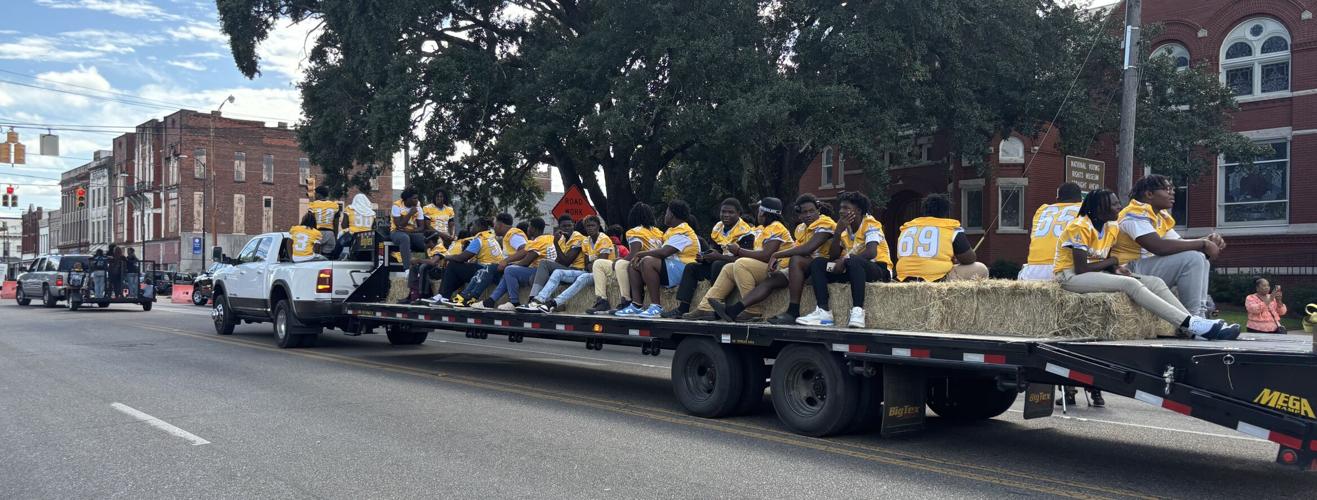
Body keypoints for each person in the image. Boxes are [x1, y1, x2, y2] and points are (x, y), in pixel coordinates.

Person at [1055, 189, 1238, 341]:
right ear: (1099, 207)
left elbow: (1105, 257)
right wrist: (1113, 262)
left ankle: (1193, 327)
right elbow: (1082, 269)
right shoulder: (1079, 227)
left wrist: (1116, 269)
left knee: (1155, 282)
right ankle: (1191, 324)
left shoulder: (1111, 227)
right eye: (1114, 204)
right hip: (1070, 276)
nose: (1119, 207)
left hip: (1096, 272)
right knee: (1131, 284)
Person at [1113, 175, 1225, 317]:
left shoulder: (1159, 216)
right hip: (1127, 270)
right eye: (1167, 189)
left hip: (1144, 268)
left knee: (1200, 257)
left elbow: (1179, 244)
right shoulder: (1134, 214)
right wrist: (1203, 243)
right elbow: (1158, 247)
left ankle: (1201, 315)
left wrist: (1208, 240)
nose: (1173, 192)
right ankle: (1192, 320)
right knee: (1192, 259)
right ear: (1149, 194)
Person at [731, 194, 835, 325]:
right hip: (806, 266)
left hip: (824, 266)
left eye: (811, 211)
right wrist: (779, 265)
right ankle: (735, 309)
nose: (808, 215)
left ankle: (793, 311)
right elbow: (799, 248)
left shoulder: (826, 223)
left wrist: (776, 255)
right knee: (773, 279)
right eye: (804, 212)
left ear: (818, 210)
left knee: (796, 259)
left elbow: (807, 249)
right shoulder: (800, 228)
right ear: (799, 214)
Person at [795, 191, 893, 328]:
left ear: (858, 210)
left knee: (852, 260)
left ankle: (858, 311)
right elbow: (833, 257)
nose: (841, 211)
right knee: (819, 264)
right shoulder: (844, 228)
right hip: (851, 269)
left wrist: (845, 260)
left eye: (846, 208)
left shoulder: (870, 224)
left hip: (878, 270)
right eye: (841, 207)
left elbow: (871, 253)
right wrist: (837, 233)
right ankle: (823, 312)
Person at [691, 197, 791, 321]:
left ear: (763, 212)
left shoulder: (776, 227)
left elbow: (767, 255)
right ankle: (705, 308)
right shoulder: (762, 228)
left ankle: (753, 310)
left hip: (779, 269)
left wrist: (739, 251)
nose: (756, 214)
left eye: (758, 210)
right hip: (768, 267)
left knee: (741, 263)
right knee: (728, 268)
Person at [663, 198, 755, 318]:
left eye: (730, 212)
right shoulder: (719, 227)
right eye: (723, 212)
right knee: (692, 267)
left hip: (735, 268)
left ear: (739, 214)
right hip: (718, 264)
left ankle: (717, 305)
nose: (726, 215)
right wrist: (706, 256)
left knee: (718, 264)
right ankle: (683, 308)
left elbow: (744, 260)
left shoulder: (746, 233)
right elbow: (716, 249)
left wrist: (718, 257)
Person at [615, 200, 701, 318]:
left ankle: (656, 306)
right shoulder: (672, 230)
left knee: (647, 261)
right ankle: (636, 305)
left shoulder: (683, 231)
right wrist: (638, 257)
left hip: (685, 269)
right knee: (634, 263)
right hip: (673, 267)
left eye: (666, 213)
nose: (665, 216)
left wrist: (640, 254)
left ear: (672, 214)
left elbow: (664, 252)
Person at [523, 215, 615, 313]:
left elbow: (599, 265)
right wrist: (591, 265)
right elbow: (587, 265)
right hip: (587, 271)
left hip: (602, 274)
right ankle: (538, 300)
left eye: (592, 225)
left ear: (598, 226)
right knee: (557, 272)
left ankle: (553, 303)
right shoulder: (586, 241)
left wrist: (555, 243)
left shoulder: (603, 239)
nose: (590, 228)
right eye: (587, 226)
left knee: (582, 278)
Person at [586, 203, 662, 314]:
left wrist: (620, 260)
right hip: (654, 267)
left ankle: (625, 299)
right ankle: (602, 301)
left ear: (633, 216)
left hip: (639, 266)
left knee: (615, 264)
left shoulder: (635, 231)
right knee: (600, 263)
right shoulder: (658, 232)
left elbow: (634, 254)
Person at [894, 194, 989, 282]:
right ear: (946, 212)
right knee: (981, 268)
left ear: (923, 211)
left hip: (904, 278)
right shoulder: (950, 228)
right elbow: (969, 259)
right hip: (936, 278)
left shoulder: (907, 228)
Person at [476, 218, 553, 310]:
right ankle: (490, 301)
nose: (527, 229)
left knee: (510, 270)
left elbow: (526, 262)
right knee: (510, 271)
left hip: (540, 273)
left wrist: (509, 266)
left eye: (529, 226)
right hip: (546, 271)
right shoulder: (549, 238)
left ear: (533, 229)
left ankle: (514, 302)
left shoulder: (538, 242)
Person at [1018, 182, 1083, 281]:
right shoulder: (1086, 209)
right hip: (1062, 269)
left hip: (1032, 270)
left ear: (1057, 200)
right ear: (1080, 199)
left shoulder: (1042, 210)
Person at [431, 218, 502, 306]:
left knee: (453, 265)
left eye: (473, 225)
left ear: (480, 227)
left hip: (485, 271)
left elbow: (462, 258)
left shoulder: (479, 239)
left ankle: (444, 296)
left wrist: (447, 257)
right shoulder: (490, 237)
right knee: (461, 268)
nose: (471, 228)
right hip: (494, 271)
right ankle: (442, 295)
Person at [528, 215, 586, 300]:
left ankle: (533, 298)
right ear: (559, 228)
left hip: (577, 270)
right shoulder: (562, 239)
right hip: (565, 269)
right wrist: (547, 269)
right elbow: (559, 261)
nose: (567, 228)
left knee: (544, 263)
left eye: (569, 225)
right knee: (533, 277)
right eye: (564, 226)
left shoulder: (578, 237)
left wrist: (555, 243)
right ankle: (547, 302)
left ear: (573, 225)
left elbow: (567, 261)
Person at [389, 189, 429, 270]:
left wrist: (411, 231)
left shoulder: (418, 207)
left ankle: (430, 267)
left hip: (412, 232)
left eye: (417, 198)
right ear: (407, 199)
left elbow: (421, 227)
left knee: (427, 239)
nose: (417, 200)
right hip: (397, 232)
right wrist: (410, 213)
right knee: (404, 238)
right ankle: (407, 269)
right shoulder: (396, 206)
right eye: (414, 198)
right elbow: (400, 225)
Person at [407, 232, 452, 303]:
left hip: (443, 272)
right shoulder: (429, 249)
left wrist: (418, 260)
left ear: (431, 242)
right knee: (414, 267)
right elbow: (428, 261)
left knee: (424, 267)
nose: (424, 244)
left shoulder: (440, 247)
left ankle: (423, 294)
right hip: (434, 270)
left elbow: (433, 262)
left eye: (426, 242)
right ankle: (412, 294)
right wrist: (416, 262)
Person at [338, 193, 377, 259]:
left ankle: (335, 258)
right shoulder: (372, 212)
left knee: (338, 244)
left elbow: (344, 225)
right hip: (368, 237)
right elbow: (374, 227)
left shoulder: (349, 208)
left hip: (353, 235)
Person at [308, 186, 340, 254]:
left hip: (317, 233)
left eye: (315, 194)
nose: (314, 195)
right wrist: (335, 237)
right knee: (328, 257)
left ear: (319, 194)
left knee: (315, 257)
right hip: (330, 233)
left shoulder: (313, 204)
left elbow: (310, 221)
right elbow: (336, 224)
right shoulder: (335, 205)